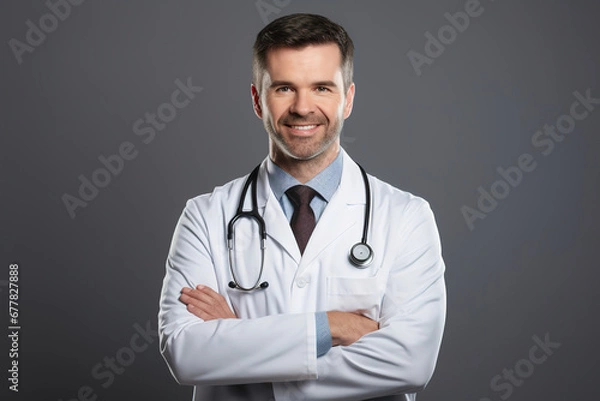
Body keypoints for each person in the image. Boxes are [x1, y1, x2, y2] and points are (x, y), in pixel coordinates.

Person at [158, 13, 446, 401]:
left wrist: (241, 342)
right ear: (258, 100)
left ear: (348, 99)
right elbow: (187, 353)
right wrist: (334, 326)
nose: (302, 107)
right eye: (284, 89)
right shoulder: (206, 217)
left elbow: (411, 362)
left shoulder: (406, 218)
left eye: (322, 88)